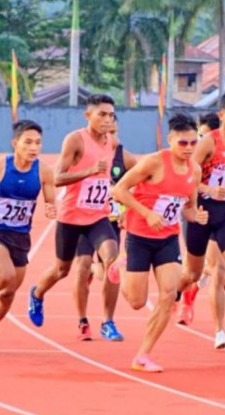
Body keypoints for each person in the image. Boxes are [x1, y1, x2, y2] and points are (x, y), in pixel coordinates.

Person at [112, 113, 206, 372]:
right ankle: (120, 266)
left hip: (168, 239)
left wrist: (196, 215)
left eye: (193, 143)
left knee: (168, 294)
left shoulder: (194, 171)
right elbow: (118, 190)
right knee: (136, 302)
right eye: (182, 143)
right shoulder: (153, 163)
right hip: (140, 237)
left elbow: (188, 209)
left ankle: (143, 354)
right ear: (170, 140)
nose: (188, 148)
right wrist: (146, 213)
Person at [27, 94, 124, 342]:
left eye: (110, 114)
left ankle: (107, 322)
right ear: (87, 115)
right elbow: (56, 177)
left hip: (98, 217)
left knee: (112, 264)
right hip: (71, 217)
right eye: (101, 114)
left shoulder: (112, 142)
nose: (106, 119)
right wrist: (89, 171)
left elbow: (112, 175)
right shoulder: (75, 140)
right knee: (64, 270)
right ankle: (38, 293)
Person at [0, 120, 57, 354]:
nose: (33, 147)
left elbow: (49, 199)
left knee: (9, 294)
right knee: (4, 275)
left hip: (21, 237)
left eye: (38, 143)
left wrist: (50, 207)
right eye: (28, 142)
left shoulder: (44, 171)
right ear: (15, 143)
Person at [177, 91, 225, 352]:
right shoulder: (208, 143)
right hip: (201, 212)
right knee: (193, 273)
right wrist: (207, 191)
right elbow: (186, 177)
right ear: (221, 115)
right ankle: (175, 293)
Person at [72, 115, 137, 340]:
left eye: (112, 125)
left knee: (113, 268)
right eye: (104, 124)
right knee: (81, 266)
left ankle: (108, 321)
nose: (107, 129)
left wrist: (128, 210)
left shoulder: (124, 157)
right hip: (83, 219)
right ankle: (82, 321)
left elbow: (141, 185)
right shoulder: (83, 150)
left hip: (109, 221)